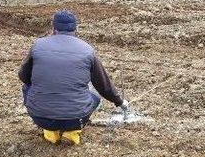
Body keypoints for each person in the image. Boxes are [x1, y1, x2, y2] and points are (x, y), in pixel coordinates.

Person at [18, 10, 128, 145]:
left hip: (40, 117)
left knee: (27, 88)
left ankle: (51, 132)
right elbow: (103, 86)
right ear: (76, 29)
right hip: (76, 119)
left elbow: (23, 76)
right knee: (95, 97)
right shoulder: (87, 50)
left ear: (53, 28)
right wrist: (120, 102)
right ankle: (71, 133)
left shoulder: (38, 45)